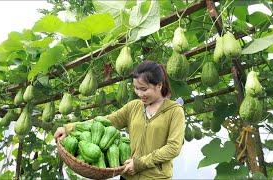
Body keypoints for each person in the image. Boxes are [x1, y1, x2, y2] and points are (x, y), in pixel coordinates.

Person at [54, 60, 185, 180]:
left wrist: (139, 164)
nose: (139, 94)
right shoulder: (134, 106)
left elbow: (173, 147)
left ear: (159, 85)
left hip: (156, 177)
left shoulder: (175, 111)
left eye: (144, 89)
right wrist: (68, 128)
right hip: (128, 175)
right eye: (136, 88)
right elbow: (106, 121)